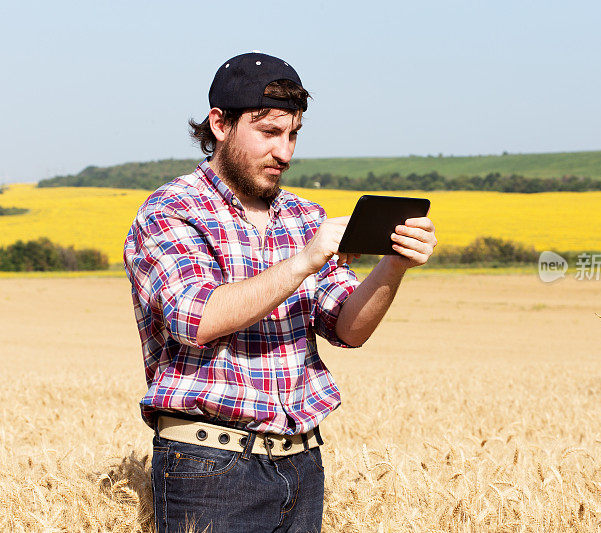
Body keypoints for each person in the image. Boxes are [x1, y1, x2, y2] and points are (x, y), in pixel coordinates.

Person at [123, 51, 437, 533]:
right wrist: (303, 262)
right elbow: (195, 318)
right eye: (269, 133)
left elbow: (349, 329)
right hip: (209, 466)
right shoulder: (170, 211)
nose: (285, 153)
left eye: (293, 135)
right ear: (220, 124)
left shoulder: (303, 216)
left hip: (302, 462)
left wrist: (395, 263)